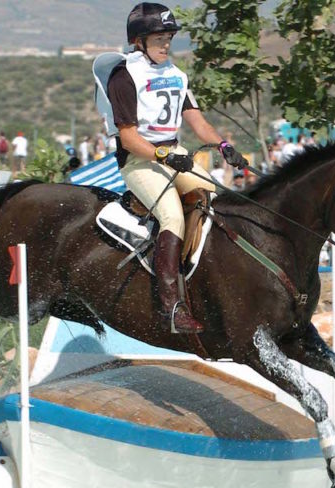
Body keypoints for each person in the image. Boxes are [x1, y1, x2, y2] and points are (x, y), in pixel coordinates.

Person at [107, 2, 249, 334]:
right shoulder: (124, 76)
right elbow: (128, 139)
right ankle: (171, 306)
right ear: (139, 40)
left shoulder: (175, 73)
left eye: (168, 37)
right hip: (140, 160)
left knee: (213, 198)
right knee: (171, 215)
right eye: (159, 37)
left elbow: (197, 122)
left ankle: (208, 279)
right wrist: (165, 156)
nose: (166, 43)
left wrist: (224, 146)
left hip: (175, 153)